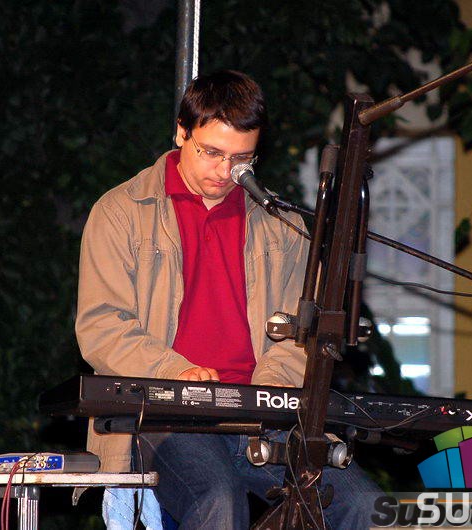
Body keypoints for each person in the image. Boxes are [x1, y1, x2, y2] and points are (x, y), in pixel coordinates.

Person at [76, 70, 381, 529]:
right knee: (217, 499)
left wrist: (268, 389)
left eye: (242, 158)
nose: (225, 171)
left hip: (264, 417)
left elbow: (308, 330)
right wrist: (175, 371)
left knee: (366, 507)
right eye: (212, 152)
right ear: (181, 132)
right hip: (165, 413)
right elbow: (102, 326)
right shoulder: (120, 212)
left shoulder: (282, 224)